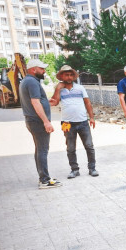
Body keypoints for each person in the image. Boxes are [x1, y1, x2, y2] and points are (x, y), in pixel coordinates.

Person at [49, 65, 99, 179]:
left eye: (71, 74)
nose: (69, 77)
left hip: (82, 122)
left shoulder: (80, 88)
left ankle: (92, 168)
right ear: (61, 76)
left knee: (89, 146)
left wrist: (91, 117)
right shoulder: (59, 90)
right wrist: (58, 88)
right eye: (66, 74)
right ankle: (74, 170)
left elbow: (87, 103)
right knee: (70, 148)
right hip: (67, 123)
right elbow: (54, 102)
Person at [18, 58, 61, 189]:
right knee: (42, 150)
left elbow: (36, 101)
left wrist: (46, 102)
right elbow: (35, 103)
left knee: (39, 149)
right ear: (34, 69)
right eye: (42, 68)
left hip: (32, 120)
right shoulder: (32, 82)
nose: (44, 71)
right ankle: (44, 180)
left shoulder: (27, 81)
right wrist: (46, 122)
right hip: (37, 122)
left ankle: (43, 177)